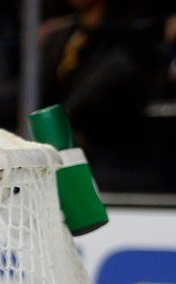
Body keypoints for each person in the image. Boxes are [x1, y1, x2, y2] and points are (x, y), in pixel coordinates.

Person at [40, 0, 157, 192]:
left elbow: (99, 92)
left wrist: (63, 123)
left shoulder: (131, 44)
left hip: (112, 159)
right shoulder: (65, 36)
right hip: (62, 148)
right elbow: (40, 87)